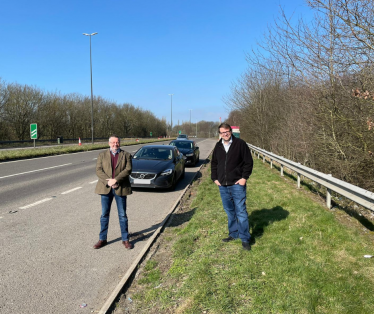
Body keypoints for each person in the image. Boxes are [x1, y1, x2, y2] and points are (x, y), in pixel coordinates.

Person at [211, 123, 254, 251]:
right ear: (219, 134)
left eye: (227, 131)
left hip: (237, 184)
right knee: (230, 212)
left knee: (241, 211)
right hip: (222, 185)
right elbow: (214, 163)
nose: (225, 134)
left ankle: (245, 238)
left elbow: (248, 162)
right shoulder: (218, 146)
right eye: (222, 132)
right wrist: (215, 178)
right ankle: (233, 234)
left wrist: (244, 178)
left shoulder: (240, 144)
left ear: (231, 131)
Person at [93, 135, 133, 250]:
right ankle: (102, 239)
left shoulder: (126, 155)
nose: (115, 144)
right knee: (104, 215)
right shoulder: (102, 155)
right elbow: (98, 170)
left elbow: (128, 169)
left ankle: (125, 240)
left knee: (122, 215)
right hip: (106, 188)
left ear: (119, 143)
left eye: (117, 142)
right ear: (109, 143)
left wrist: (116, 180)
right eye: (113, 143)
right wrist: (109, 181)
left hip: (120, 188)